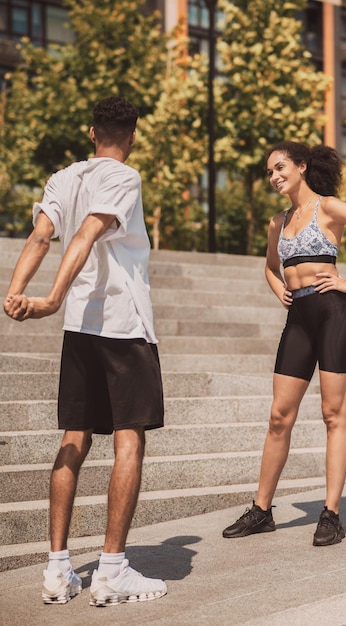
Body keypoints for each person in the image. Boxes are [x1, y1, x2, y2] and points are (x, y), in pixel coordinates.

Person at [3, 97, 167, 605]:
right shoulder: (125, 177)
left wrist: (15, 288)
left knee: (75, 437)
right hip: (122, 324)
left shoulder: (62, 178)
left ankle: (57, 571)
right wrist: (49, 298)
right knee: (128, 441)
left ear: (91, 131)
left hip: (80, 328)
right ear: (132, 135)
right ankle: (112, 570)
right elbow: (87, 232)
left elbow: (41, 234)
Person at [222, 141, 346, 546]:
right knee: (278, 416)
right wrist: (276, 288)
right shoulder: (277, 222)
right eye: (269, 171)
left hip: (335, 315)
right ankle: (262, 510)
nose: (274, 176)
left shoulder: (329, 207)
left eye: (280, 167)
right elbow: (270, 267)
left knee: (332, 413)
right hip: (298, 318)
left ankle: (332, 514)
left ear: (301, 166)